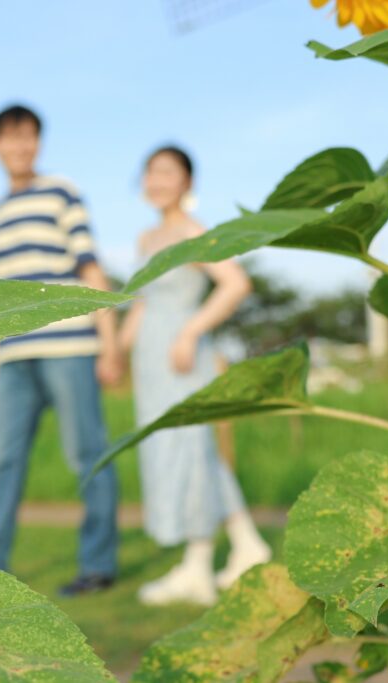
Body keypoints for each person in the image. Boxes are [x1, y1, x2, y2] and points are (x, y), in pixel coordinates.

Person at [0, 104, 123, 596]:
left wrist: (110, 343)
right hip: (14, 359)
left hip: (70, 346)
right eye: (9, 138)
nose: (19, 146)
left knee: (87, 453)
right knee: (0, 460)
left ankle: (98, 564)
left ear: (38, 142)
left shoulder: (62, 191)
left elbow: (89, 266)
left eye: (28, 137)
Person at [119, 145, 272, 606]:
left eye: (167, 171)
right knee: (174, 452)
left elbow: (236, 283)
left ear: (187, 182)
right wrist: (114, 350)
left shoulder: (192, 231)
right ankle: (245, 543)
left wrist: (190, 332)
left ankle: (199, 565)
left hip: (184, 356)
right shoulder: (147, 238)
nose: (156, 180)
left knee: (191, 451)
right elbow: (142, 304)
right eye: (150, 172)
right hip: (151, 362)